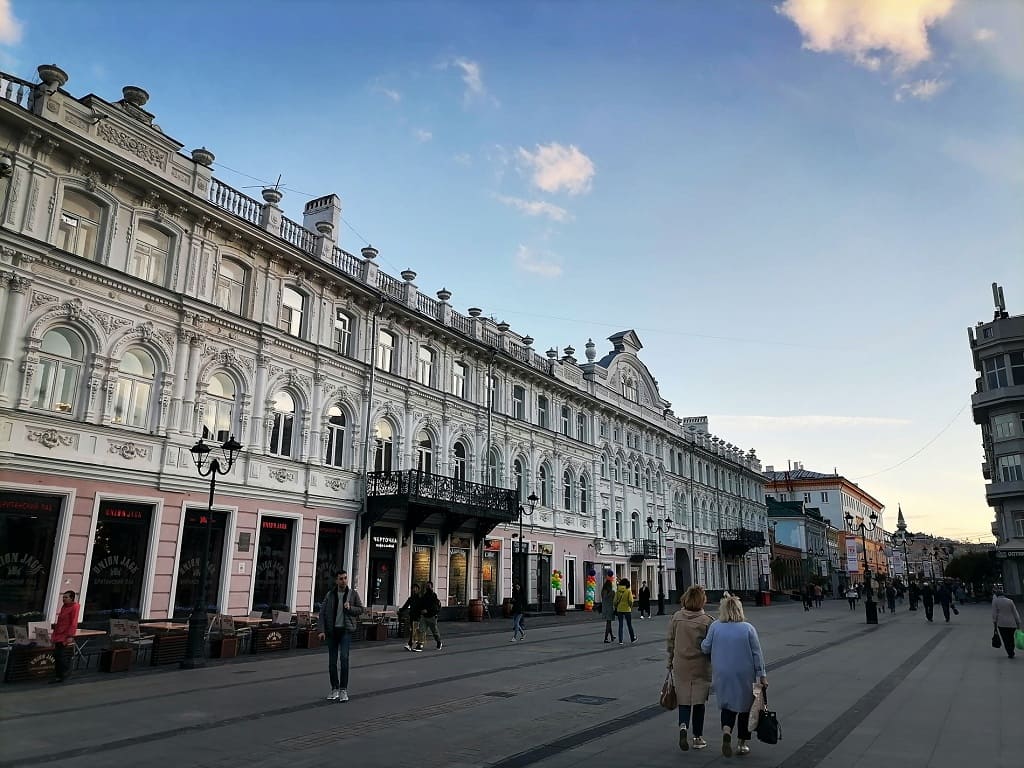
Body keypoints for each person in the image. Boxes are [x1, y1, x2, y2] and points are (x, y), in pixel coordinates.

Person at [701, 593, 767, 758]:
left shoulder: (715, 626)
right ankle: (741, 744)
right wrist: (762, 675)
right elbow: (757, 654)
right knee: (745, 708)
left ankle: (726, 731)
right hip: (744, 673)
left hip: (722, 672)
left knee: (727, 704)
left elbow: (705, 647)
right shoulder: (748, 628)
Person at [667, 586, 714, 751]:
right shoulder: (707, 621)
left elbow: (670, 642)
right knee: (699, 702)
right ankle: (698, 737)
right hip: (700, 665)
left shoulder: (677, 617)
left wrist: (670, 661)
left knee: (684, 699)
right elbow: (710, 646)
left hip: (681, 664)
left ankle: (683, 727)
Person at [318, 570, 364, 702]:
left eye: (345, 578)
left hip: (345, 631)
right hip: (332, 632)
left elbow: (361, 609)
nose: (343, 581)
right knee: (332, 662)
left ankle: (343, 689)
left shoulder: (352, 594)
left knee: (344, 659)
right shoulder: (330, 595)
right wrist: (321, 630)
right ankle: (334, 689)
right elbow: (322, 613)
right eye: (341, 579)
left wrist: (350, 608)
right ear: (336, 581)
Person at [50, 590, 79, 684]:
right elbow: (60, 621)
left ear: (72, 598)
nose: (63, 599)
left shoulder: (74, 607)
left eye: (66, 597)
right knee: (56, 654)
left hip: (65, 634)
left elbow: (73, 622)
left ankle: (63, 674)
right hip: (59, 633)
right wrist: (54, 634)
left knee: (60, 655)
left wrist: (70, 635)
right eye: (63, 597)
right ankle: (59, 674)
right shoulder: (64, 606)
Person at [992, 589, 1022, 659]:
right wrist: (1018, 623)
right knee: (1011, 638)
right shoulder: (1010, 601)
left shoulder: (995, 601)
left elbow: (994, 614)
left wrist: (994, 623)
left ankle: (1010, 652)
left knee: (1005, 639)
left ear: (997, 595)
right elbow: (1015, 612)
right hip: (1012, 623)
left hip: (1001, 624)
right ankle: (1012, 649)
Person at [417, 580, 443, 650]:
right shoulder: (424, 595)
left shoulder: (434, 595)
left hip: (432, 616)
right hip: (424, 617)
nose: (427, 587)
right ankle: (420, 644)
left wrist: (427, 610)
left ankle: (438, 642)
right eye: (426, 586)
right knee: (421, 630)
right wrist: (421, 610)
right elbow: (421, 604)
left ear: (432, 587)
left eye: (428, 586)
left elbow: (434, 606)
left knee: (434, 631)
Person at [399, 583, 423, 651]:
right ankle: (418, 643)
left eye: (415, 588)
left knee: (415, 630)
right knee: (415, 630)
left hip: (418, 616)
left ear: (418, 589)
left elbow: (423, 606)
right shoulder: (411, 598)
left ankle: (411, 644)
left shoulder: (420, 598)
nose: (414, 590)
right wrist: (401, 610)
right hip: (412, 615)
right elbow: (406, 605)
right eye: (413, 588)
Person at [614, 576, 637, 645]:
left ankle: (620, 640)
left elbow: (614, 601)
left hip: (619, 610)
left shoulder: (618, 591)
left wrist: (616, 607)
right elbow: (630, 600)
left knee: (620, 625)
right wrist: (630, 606)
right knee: (629, 624)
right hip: (627, 610)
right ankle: (632, 638)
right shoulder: (628, 591)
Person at [600, 576, 616, 643]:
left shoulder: (603, 591)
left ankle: (612, 636)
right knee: (608, 624)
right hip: (609, 608)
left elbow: (603, 598)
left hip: (604, 608)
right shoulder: (611, 592)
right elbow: (613, 599)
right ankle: (606, 638)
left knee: (608, 622)